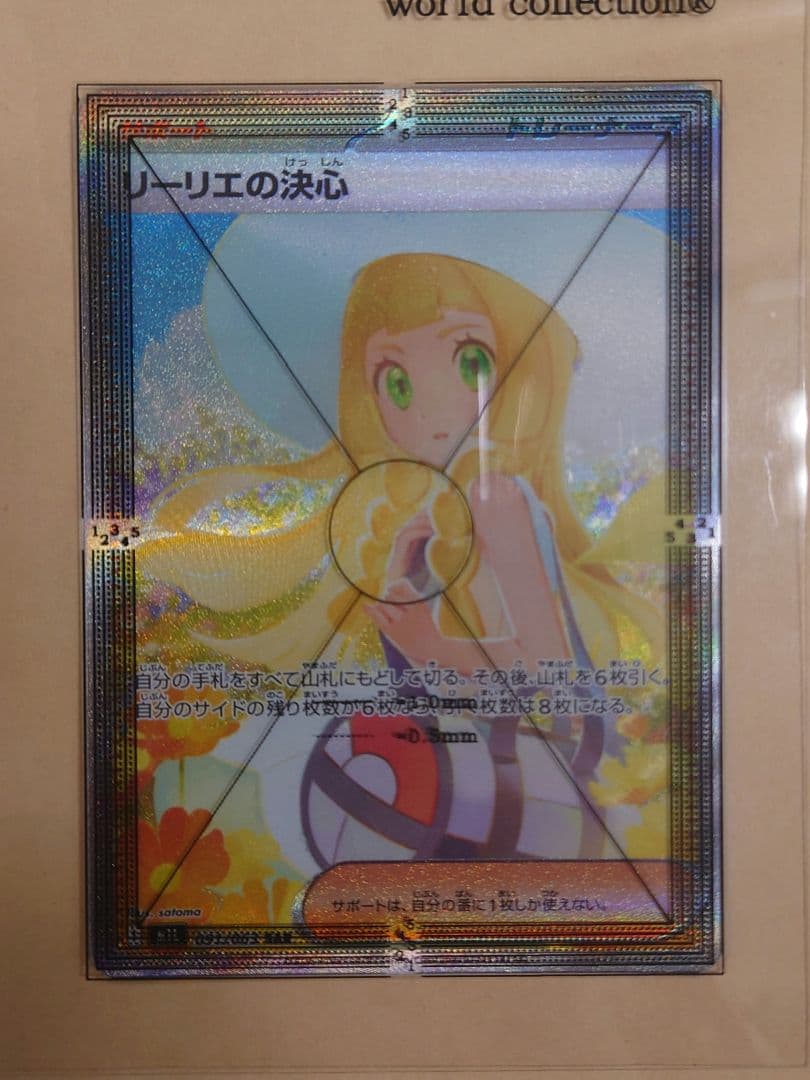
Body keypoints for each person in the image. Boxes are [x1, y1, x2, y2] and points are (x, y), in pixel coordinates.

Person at [140, 253, 664, 866]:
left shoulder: (497, 502)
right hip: (477, 774)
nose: (430, 410)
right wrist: (408, 602)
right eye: (397, 383)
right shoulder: (435, 516)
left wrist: (434, 645)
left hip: (534, 786)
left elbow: (552, 679)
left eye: (469, 362)